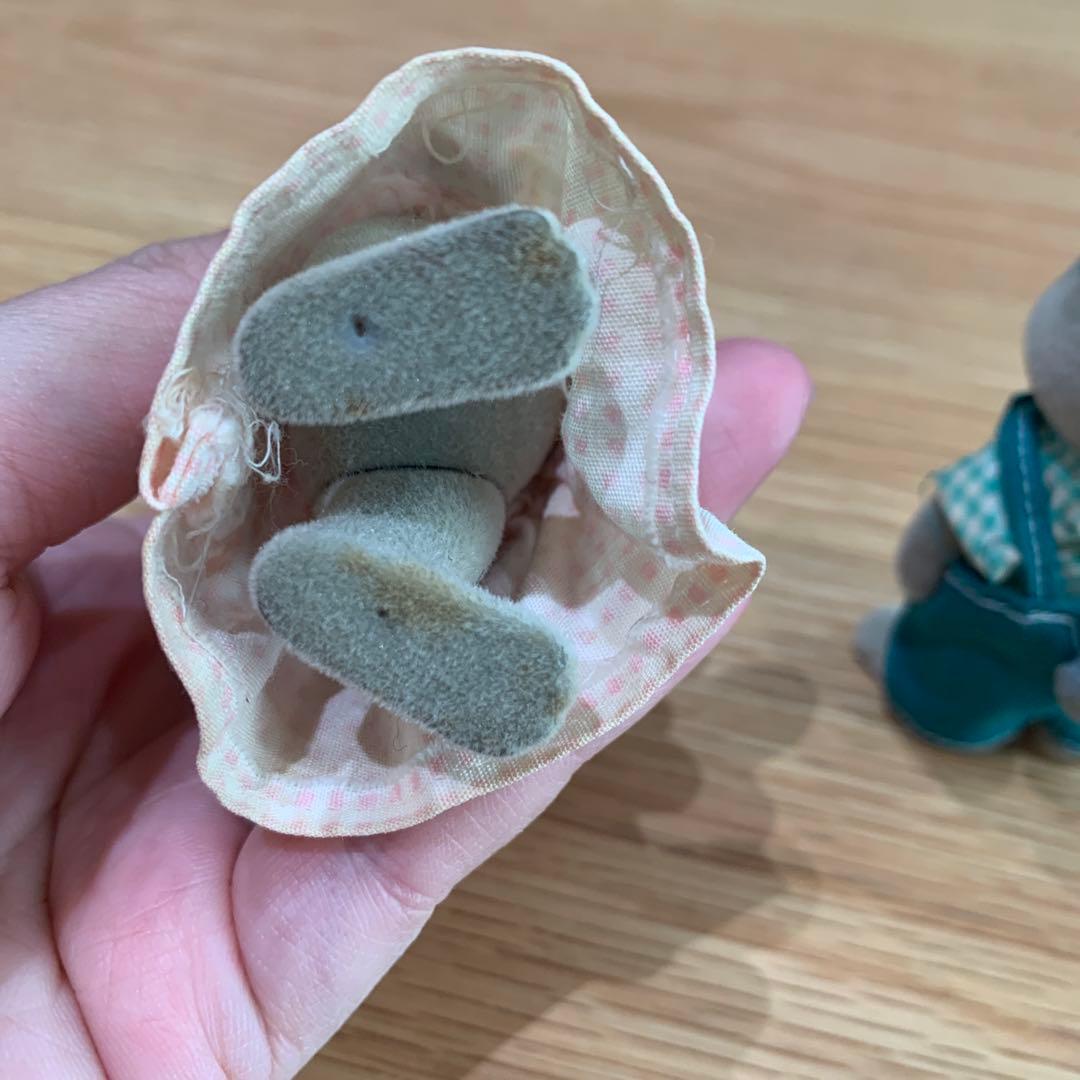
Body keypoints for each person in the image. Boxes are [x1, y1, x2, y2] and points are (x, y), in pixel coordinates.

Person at [0, 235, 810, 1078]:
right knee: (446, 517)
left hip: (340, 460)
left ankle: (367, 403)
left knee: (394, 506)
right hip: (480, 468)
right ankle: (394, 462)